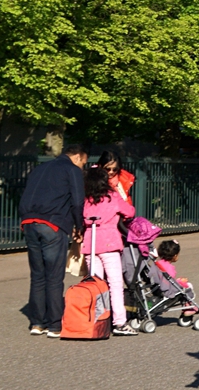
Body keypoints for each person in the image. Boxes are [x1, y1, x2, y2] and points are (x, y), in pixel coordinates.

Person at [18, 142, 88, 336]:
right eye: (83, 163)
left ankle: (37, 323)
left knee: (38, 275)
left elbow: (26, 194)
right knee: (54, 276)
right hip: (53, 224)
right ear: (77, 157)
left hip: (29, 222)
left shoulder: (40, 169)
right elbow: (77, 201)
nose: (82, 167)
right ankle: (55, 325)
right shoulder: (71, 170)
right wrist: (79, 226)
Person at [79, 164, 137, 337]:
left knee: (95, 284)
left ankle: (97, 318)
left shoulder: (86, 200)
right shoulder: (112, 197)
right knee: (115, 284)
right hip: (110, 244)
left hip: (91, 244)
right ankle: (119, 322)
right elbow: (130, 211)